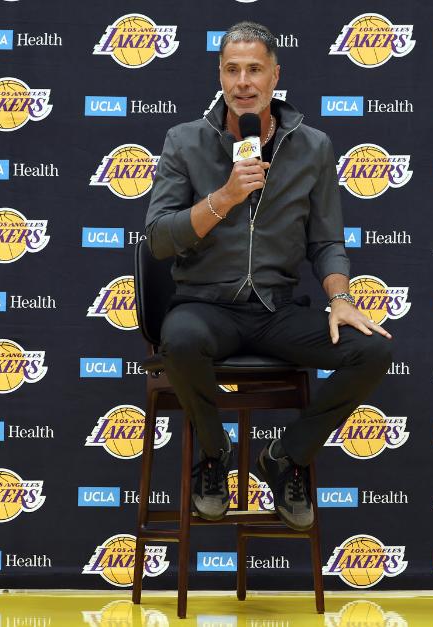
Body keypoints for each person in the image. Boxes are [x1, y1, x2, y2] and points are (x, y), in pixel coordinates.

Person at [145, 21, 393, 530]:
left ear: (275, 75)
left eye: (254, 69)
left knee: (372, 349)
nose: (243, 82)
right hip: (206, 305)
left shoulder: (314, 146)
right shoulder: (184, 141)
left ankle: (286, 458)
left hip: (277, 308)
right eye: (232, 70)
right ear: (219, 76)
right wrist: (224, 199)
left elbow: (326, 242)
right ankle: (214, 455)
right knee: (180, 339)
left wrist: (340, 297)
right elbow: (160, 239)